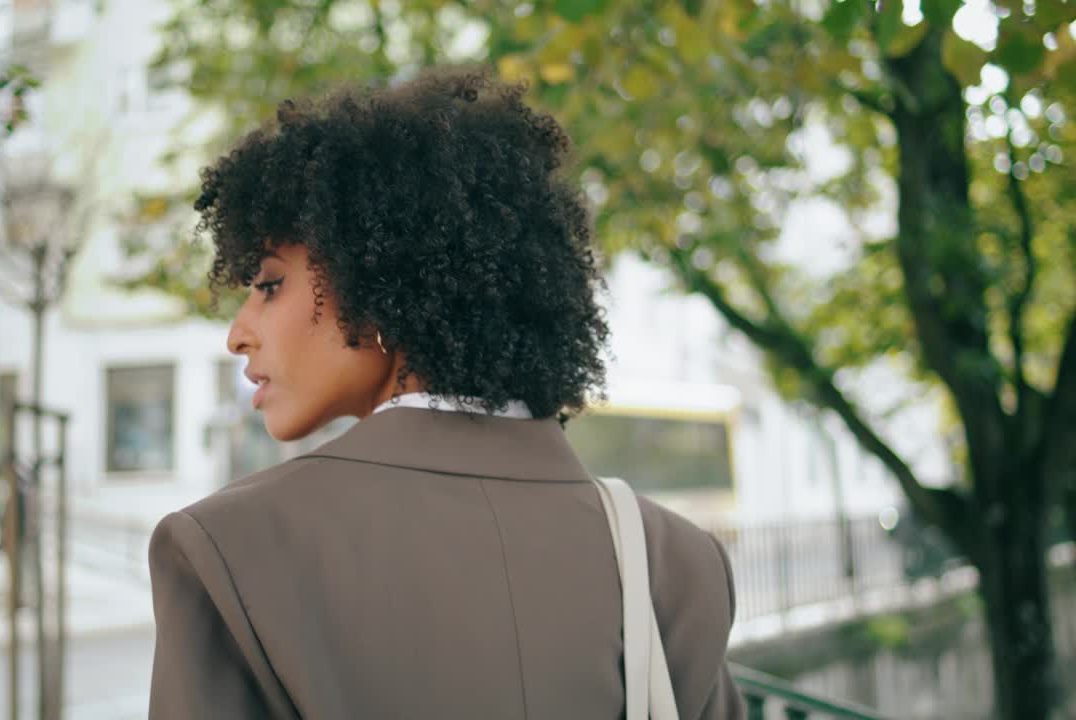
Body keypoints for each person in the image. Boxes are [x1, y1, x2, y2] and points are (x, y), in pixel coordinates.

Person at [148, 67, 743, 719]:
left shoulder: (227, 548)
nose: (239, 334)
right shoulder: (679, 564)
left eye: (267, 285)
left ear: (374, 282)